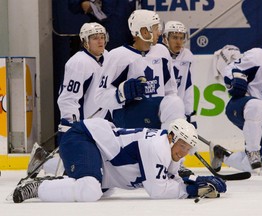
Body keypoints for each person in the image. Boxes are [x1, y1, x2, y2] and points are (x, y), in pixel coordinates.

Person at [12, 118, 227, 203]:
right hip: (85, 137)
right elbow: (158, 190)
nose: (184, 152)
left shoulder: (168, 148)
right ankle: (38, 188)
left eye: (188, 148)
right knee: (90, 189)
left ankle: (47, 163)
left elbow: (172, 178)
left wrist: (195, 180)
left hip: (101, 158)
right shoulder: (157, 146)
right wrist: (192, 190)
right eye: (182, 145)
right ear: (171, 137)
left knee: (102, 188)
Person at [27, 22, 109, 177]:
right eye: (95, 38)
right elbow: (68, 97)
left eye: (102, 37)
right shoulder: (78, 63)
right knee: (78, 170)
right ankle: (42, 160)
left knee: (99, 168)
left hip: (98, 123)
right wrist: (70, 123)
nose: (100, 41)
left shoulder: (107, 57)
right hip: (81, 125)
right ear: (85, 41)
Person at [210, 26, 262, 173]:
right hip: (243, 107)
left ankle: (221, 155)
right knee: (258, 106)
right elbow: (229, 69)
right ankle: (252, 151)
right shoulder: (257, 57)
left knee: (255, 167)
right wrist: (233, 82)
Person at [94, 9, 186, 130]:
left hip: (156, 123)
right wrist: (121, 94)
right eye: (155, 28)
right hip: (130, 126)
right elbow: (99, 97)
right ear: (144, 31)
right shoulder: (118, 56)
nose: (159, 32)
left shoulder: (162, 52)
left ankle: (172, 142)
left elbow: (170, 91)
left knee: (175, 102)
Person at [162, 20, 197, 127]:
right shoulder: (157, 55)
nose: (179, 42)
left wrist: (189, 114)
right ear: (165, 38)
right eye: (174, 38)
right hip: (160, 110)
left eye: (181, 38)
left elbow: (187, 87)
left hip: (178, 111)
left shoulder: (186, 56)